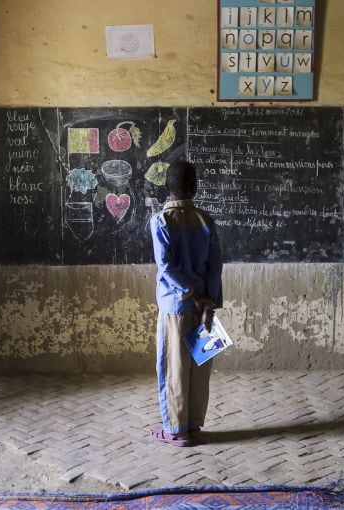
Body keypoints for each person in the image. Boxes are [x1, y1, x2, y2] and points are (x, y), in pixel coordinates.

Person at [148, 160, 223, 447]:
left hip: (175, 308)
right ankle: (194, 423)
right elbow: (216, 263)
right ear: (195, 187)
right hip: (204, 307)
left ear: (167, 187)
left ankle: (177, 429)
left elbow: (166, 267)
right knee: (200, 367)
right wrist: (208, 299)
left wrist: (190, 293)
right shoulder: (207, 220)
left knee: (174, 368)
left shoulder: (161, 221)